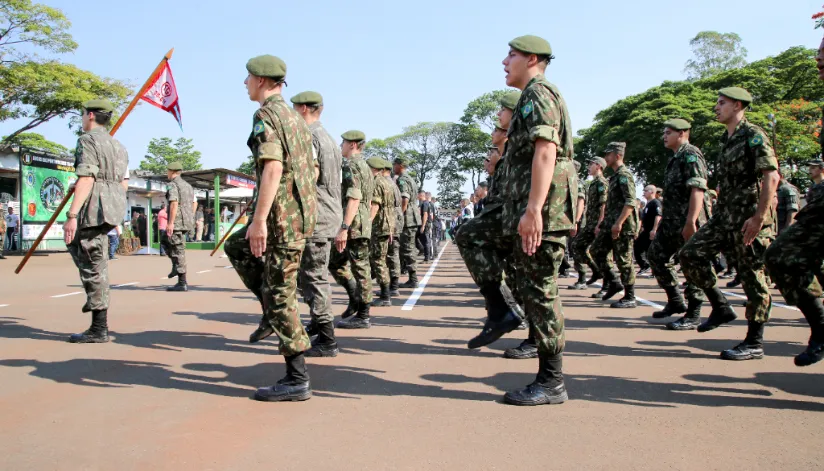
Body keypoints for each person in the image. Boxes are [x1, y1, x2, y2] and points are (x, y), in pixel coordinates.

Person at [225, 55, 317, 402]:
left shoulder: (266, 114)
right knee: (238, 247)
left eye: (248, 78)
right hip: (296, 215)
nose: (245, 83)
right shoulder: (295, 118)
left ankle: (297, 378)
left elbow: (273, 168)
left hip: (282, 219)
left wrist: (261, 219)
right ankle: (269, 308)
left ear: (262, 81)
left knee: (281, 294)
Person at [496, 35, 576, 406]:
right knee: (531, 287)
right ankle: (500, 311)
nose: (504, 62)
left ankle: (552, 382)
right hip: (531, 208)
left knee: (541, 292)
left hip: (543, 211)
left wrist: (533, 211)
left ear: (531, 59)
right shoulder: (533, 95)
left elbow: (546, 151)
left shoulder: (539, 93)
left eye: (511, 55)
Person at [680, 87, 779, 361]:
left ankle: (754, 341)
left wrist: (759, 218)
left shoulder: (753, 134)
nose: (716, 107)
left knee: (752, 277)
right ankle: (721, 306)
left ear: (737, 106)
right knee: (690, 254)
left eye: (721, 103)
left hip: (748, 219)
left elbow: (772, 176)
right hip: (725, 217)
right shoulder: (727, 139)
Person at [62, 99, 128, 343]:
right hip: (112, 206)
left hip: (94, 209)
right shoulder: (118, 145)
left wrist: (71, 215)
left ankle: (99, 327)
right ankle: (96, 308)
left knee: (93, 264)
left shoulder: (87, 140)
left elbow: (88, 178)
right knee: (91, 258)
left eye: (82, 115)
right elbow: (120, 181)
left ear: (90, 115)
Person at [288, 91, 343, 357]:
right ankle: (318, 326)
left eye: (294, 109)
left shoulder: (310, 137)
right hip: (326, 213)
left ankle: (327, 339)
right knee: (311, 276)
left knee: (314, 278)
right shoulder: (328, 138)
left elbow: (310, 176)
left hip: (317, 215)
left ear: (304, 110)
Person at [647, 118, 710, 330]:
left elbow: (697, 189)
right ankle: (675, 301)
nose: (664, 136)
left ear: (682, 133)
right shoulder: (675, 158)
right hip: (671, 221)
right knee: (655, 256)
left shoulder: (691, 154)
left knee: (690, 264)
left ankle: (693, 314)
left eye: (668, 132)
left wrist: (691, 221)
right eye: (664, 132)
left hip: (687, 221)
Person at [328, 130, 374, 329]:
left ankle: (363, 315)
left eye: (344, 143)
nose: (341, 146)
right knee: (335, 262)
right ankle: (355, 298)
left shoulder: (352, 165)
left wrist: (344, 228)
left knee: (361, 268)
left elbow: (354, 197)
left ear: (353, 145)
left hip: (354, 224)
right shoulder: (365, 166)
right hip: (359, 222)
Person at [590, 142, 639, 308]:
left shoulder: (625, 175)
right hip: (610, 223)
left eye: (609, 154)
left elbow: (631, 201)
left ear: (617, 155)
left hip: (623, 226)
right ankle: (614, 282)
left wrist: (619, 223)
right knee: (596, 250)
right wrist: (603, 224)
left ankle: (630, 296)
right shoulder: (615, 177)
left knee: (624, 260)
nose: (606, 158)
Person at [570, 157, 608, 290]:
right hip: (591, 223)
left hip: (597, 224)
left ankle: (607, 284)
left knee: (600, 253)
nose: (588, 167)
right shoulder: (593, 183)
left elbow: (604, 205)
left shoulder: (601, 183)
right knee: (577, 246)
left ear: (598, 166)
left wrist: (600, 223)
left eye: (591, 164)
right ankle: (594, 272)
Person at [162, 162, 195, 292]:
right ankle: (176, 266)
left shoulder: (172, 185)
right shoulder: (188, 186)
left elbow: (174, 204)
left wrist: (170, 223)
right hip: (186, 221)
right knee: (166, 242)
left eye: (168, 171)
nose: (167, 173)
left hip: (177, 222)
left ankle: (182, 282)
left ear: (172, 171)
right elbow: (194, 203)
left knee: (178, 250)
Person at [368, 157, 396, 307]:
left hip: (379, 226)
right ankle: (385, 292)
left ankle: (385, 295)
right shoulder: (388, 182)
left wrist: (368, 222)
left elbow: (375, 205)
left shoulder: (376, 182)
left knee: (378, 260)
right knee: (381, 259)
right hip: (387, 224)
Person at [394, 156, 421, 288]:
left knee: (408, 248)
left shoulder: (403, 179)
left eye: (395, 165)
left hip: (408, 218)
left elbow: (405, 198)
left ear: (400, 165)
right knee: (408, 247)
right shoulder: (411, 179)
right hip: (413, 216)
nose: (393, 168)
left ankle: (413, 278)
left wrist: (400, 214)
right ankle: (412, 277)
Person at [385, 160, 404, 296]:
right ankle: (394, 285)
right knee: (393, 254)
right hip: (396, 220)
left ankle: (390, 287)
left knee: (389, 254)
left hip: (390, 221)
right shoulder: (393, 183)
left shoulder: (386, 183)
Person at [635, 185, 662, 276]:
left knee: (651, 251)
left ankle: (654, 269)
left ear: (652, 192)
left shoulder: (655, 203)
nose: (644, 192)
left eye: (646, 190)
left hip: (651, 230)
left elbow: (658, 216)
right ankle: (646, 266)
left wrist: (654, 229)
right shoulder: (648, 203)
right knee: (639, 248)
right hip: (646, 230)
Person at [417, 191, 432, 262]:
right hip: (424, 223)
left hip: (425, 223)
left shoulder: (425, 203)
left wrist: (423, 226)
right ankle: (422, 249)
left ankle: (427, 258)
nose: (417, 196)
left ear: (421, 195)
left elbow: (425, 214)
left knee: (425, 240)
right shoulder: (423, 203)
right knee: (417, 237)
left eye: (418, 195)